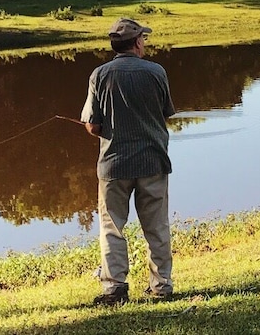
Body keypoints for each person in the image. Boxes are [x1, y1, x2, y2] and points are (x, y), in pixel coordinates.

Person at [81, 17, 176, 305]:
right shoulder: (157, 72)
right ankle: (161, 287)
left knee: (112, 227)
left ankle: (115, 288)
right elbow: (166, 113)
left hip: (114, 165)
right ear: (137, 42)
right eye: (143, 39)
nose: (144, 43)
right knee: (157, 227)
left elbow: (93, 126)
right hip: (153, 162)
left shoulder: (99, 75)